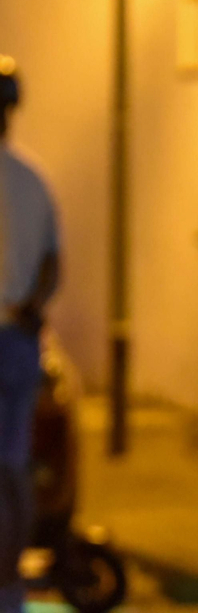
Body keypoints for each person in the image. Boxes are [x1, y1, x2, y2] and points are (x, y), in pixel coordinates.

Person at [0, 58, 61, 613]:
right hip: (17, 341)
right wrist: (30, 309)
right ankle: (8, 577)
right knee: (13, 462)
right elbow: (51, 266)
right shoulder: (32, 181)